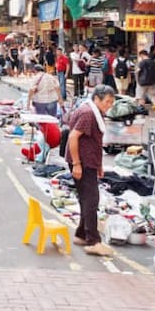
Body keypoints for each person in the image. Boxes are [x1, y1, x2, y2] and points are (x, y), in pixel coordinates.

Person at [65, 85, 116, 257]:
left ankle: (81, 234)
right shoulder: (88, 113)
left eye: (111, 102)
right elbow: (73, 137)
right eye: (107, 101)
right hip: (82, 161)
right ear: (97, 99)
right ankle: (94, 241)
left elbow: (94, 141)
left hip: (89, 161)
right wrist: (77, 164)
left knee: (86, 199)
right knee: (91, 199)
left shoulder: (95, 112)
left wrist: (99, 164)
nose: (109, 105)